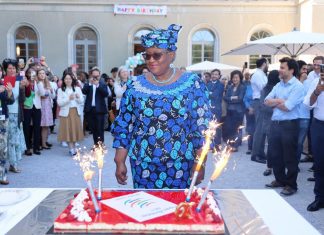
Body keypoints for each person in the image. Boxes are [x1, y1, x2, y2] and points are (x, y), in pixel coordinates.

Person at [112, 24, 211, 189]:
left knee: (178, 210)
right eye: (147, 56)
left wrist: (200, 163)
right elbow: (125, 124)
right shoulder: (135, 85)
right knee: (146, 209)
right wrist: (119, 160)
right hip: (143, 164)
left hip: (180, 164)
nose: (151, 60)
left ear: (171, 55)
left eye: (157, 55)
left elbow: (202, 127)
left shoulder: (192, 84)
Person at [265, 57, 304, 196]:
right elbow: (266, 101)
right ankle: (280, 180)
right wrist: (280, 100)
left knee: (289, 157)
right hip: (275, 124)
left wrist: (276, 102)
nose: (279, 70)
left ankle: (291, 185)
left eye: (282, 67)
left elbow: (288, 107)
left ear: (291, 70)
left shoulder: (298, 86)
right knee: (276, 155)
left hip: (290, 125)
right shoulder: (278, 84)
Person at [251, 70, 280, 172]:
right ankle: (260, 158)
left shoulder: (270, 88)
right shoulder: (268, 89)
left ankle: (266, 161)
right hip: (268, 117)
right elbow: (264, 105)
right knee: (265, 138)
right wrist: (278, 106)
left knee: (267, 139)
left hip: (268, 116)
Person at [304, 70, 324, 211]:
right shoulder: (315, 83)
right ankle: (320, 198)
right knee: (319, 163)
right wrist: (317, 91)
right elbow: (308, 104)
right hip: (319, 125)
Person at [3, 59, 27, 174]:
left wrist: (22, 88)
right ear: (5, 69)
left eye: (13, 68)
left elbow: (22, 100)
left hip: (18, 113)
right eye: (9, 68)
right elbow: (7, 101)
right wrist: (8, 92)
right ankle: (13, 163)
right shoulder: (3, 82)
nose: (12, 70)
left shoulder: (19, 80)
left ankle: (15, 163)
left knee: (17, 139)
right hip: (8, 113)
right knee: (11, 141)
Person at [300, 56, 324, 164]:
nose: (316, 67)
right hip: (315, 114)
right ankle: (313, 159)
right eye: (314, 64)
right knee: (313, 140)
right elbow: (308, 99)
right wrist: (316, 92)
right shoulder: (312, 77)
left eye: (319, 65)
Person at [57, 72, 84, 156]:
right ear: (63, 80)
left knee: (75, 130)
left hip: (75, 111)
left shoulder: (77, 89)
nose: (68, 80)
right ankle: (71, 149)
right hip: (66, 113)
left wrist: (78, 98)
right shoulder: (60, 90)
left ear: (72, 80)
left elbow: (81, 101)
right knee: (67, 130)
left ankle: (74, 148)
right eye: (66, 79)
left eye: (69, 78)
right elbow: (59, 103)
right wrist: (68, 99)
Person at [82, 67, 108, 145]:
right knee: (93, 129)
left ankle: (101, 145)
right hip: (90, 109)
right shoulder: (88, 83)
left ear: (99, 76)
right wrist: (90, 84)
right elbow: (84, 91)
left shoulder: (102, 84)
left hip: (99, 110)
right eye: (94, 76)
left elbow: (105, 94)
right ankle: (95, 144)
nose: (95, 78)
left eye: (97, 76)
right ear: (91, 75)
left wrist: (97, 85)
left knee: (100, 129)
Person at [223, 70, 246, 152]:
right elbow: (225, 98)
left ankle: (235, 146)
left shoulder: (242, 87)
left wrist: (231, 99)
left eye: (236, 77)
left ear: (240, 78)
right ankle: (230, 144)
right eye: (233, 77)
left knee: (237, 129)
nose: (234, 79)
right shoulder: (230, 87)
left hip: (238, 111)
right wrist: (233, 98)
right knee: (229, 128)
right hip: (229, 110)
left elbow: (240, 99)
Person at [0, 78, 14, 185]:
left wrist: (9, 91)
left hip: (3, 119)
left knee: (3, 148)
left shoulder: (3, 83)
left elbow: (10, 101)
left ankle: (2, 175)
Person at [206, 69, 224, 149]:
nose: (214, 76)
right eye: (213, 74)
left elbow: (215, 95)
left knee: (216, 127)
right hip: (208, 109)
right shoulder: (208, 84)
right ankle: (210, 144)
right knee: (209, 127)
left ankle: (217, 145)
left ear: (219, 76)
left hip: (216, 109)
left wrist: (208, 93)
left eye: (216, 74)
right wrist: (209, 93)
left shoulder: (220, 85)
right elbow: (205, 94)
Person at [38, 69, 55, 149]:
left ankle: (44, 143)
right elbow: (43, 95)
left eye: (43, 73)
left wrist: (51, 91)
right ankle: (41, 143)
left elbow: (53, 96)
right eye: (40, 73)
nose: (42, 75)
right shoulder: (39, 83)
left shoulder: (47, 83)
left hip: (48, 105)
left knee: (46, 126)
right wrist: (48, 92)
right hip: (41, 106)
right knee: (41, 126)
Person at [243, 73, 255, 155]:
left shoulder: (262, 88)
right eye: (252, 78)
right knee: (250, 129)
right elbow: (245, 99)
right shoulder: (248, 87)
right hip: (249, 110)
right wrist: (249, 107)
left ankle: (256, 148)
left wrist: (255, 108)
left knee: (257, 129)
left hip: (258, 111)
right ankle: (250, 147)